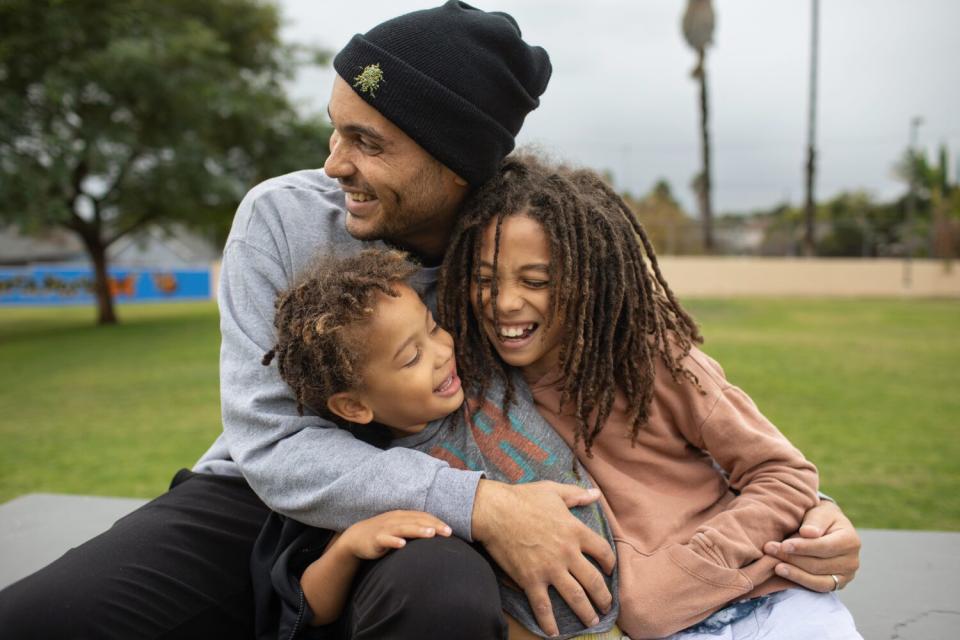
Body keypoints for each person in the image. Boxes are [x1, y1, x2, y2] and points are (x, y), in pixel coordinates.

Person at [0, 3, 861, 638]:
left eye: (369, 142)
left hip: (442, 521)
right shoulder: (282, 218)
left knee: (443, 602)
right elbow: (268, 443)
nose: (336, 164)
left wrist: (810, 518)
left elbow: (652, 389)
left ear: (458, 166)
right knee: (43, 619)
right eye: (335, 130)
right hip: (270, 497)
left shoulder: (520, 253)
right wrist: (483, 504)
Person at [436, 154, 862, 639]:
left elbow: (782, 472)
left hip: (771, 603)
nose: (505, 303)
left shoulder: (651, 356)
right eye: (484, 280)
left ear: (588, 279)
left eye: (536, 281)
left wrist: (694, 568)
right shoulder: (469, 391)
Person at [252, 248, 620, 640]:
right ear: (354, 405)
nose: (443, 353)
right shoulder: (385, 475)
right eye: (412, 358)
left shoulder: (489, 375)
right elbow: (314, 608)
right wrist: (347, 547)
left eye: (432, 328)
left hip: (632, 608)